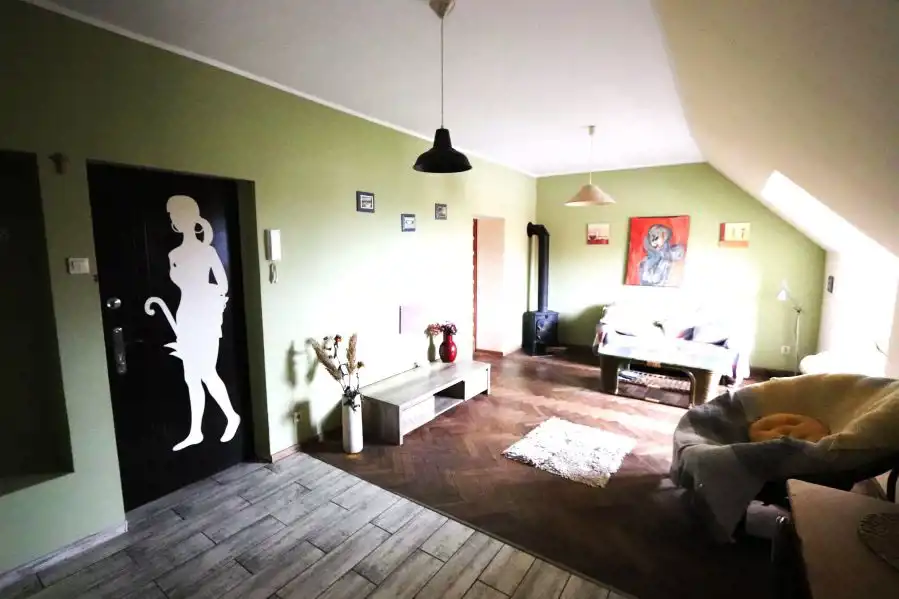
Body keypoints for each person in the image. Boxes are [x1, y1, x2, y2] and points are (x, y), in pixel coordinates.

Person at [145, 195, 240, 451]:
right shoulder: (173, 254)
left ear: (189, 216)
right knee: (190, 376)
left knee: (207, 372)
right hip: (185, 313)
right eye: (171, 216)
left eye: (176, 214)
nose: (173, 220)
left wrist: (203, 292)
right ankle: (195, 431)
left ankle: (231, 416)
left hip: (205, 316)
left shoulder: (207, 251)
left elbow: (223, 285)